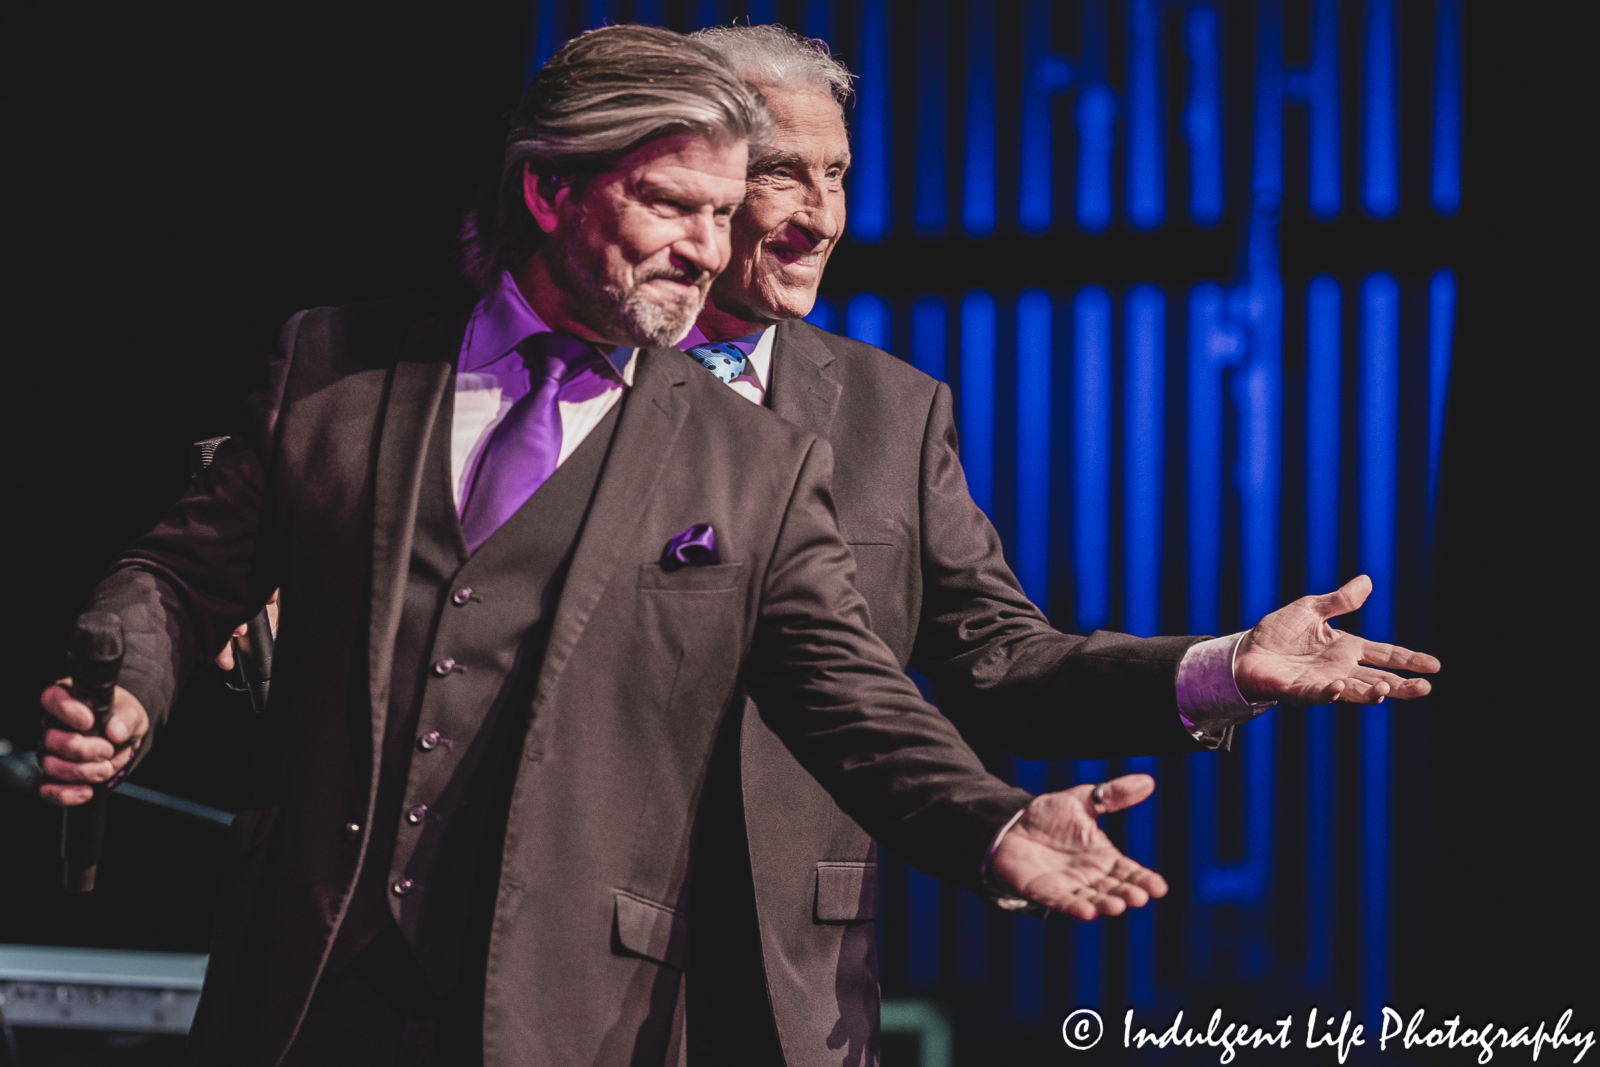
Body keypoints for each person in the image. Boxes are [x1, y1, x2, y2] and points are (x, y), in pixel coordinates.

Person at [37, 25, 1175, 1067]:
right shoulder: (337, 368)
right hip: (308, 982)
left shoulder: (753, 462)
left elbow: (853, 699)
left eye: (723, 214)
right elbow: (183, 575)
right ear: (546, 188)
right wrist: (135, 683)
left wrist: (990, 821)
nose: (705, 247)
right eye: (672, 205)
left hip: (565, 1009)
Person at [663, 23, 1443, 1065]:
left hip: (798, 989)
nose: (821, 217)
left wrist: (1223, 670)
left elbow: (1001, 661)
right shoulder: (574, 380)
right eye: (781, 176)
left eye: (838, 176)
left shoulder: (890, 408)